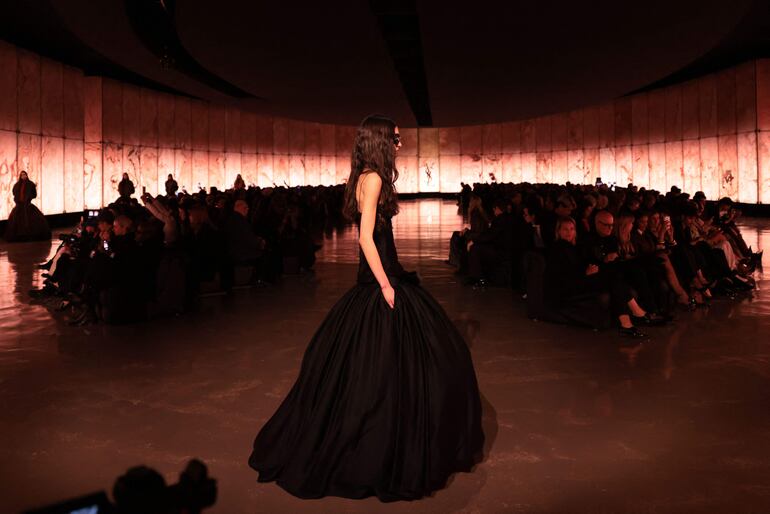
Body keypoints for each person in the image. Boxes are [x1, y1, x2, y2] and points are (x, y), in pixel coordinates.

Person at [249, 114, 484, 501]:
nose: (400, 144)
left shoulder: (367, 176)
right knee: (413, 361)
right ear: (379, 141)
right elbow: (365, 239)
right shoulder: (373, 178)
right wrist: (386, 285)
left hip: (383, 276)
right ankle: (382, 447)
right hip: (381, 278)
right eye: (395, 138)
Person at [4, 170, 51, 242]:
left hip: (27, 205)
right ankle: (19, 236)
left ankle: (30, 236)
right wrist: (17, 200)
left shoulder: (30, 184)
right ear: (20, 176)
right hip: (19, 205)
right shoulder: (17, 185)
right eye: (22, 175)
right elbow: (14, 192)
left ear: (26, 175)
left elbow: (34, 195)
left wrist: (29, 197)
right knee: (17, 220)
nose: (23, 176)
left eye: (24, 175)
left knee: (30, 219)